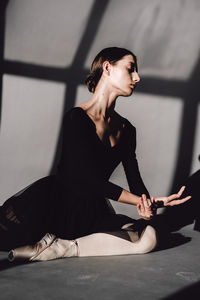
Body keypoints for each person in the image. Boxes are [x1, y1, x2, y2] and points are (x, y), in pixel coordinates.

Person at [0, 47, 190, 262]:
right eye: (131, 69)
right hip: (54, 206)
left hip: (92, 211)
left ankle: (61, 247)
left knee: (151, 237)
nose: (137, 77)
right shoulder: (76, 118)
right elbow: (87, 180)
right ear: (107, 67)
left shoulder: (127, 129)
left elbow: (135, 179)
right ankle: (51, 242)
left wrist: (149, 203)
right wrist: (138, 200)